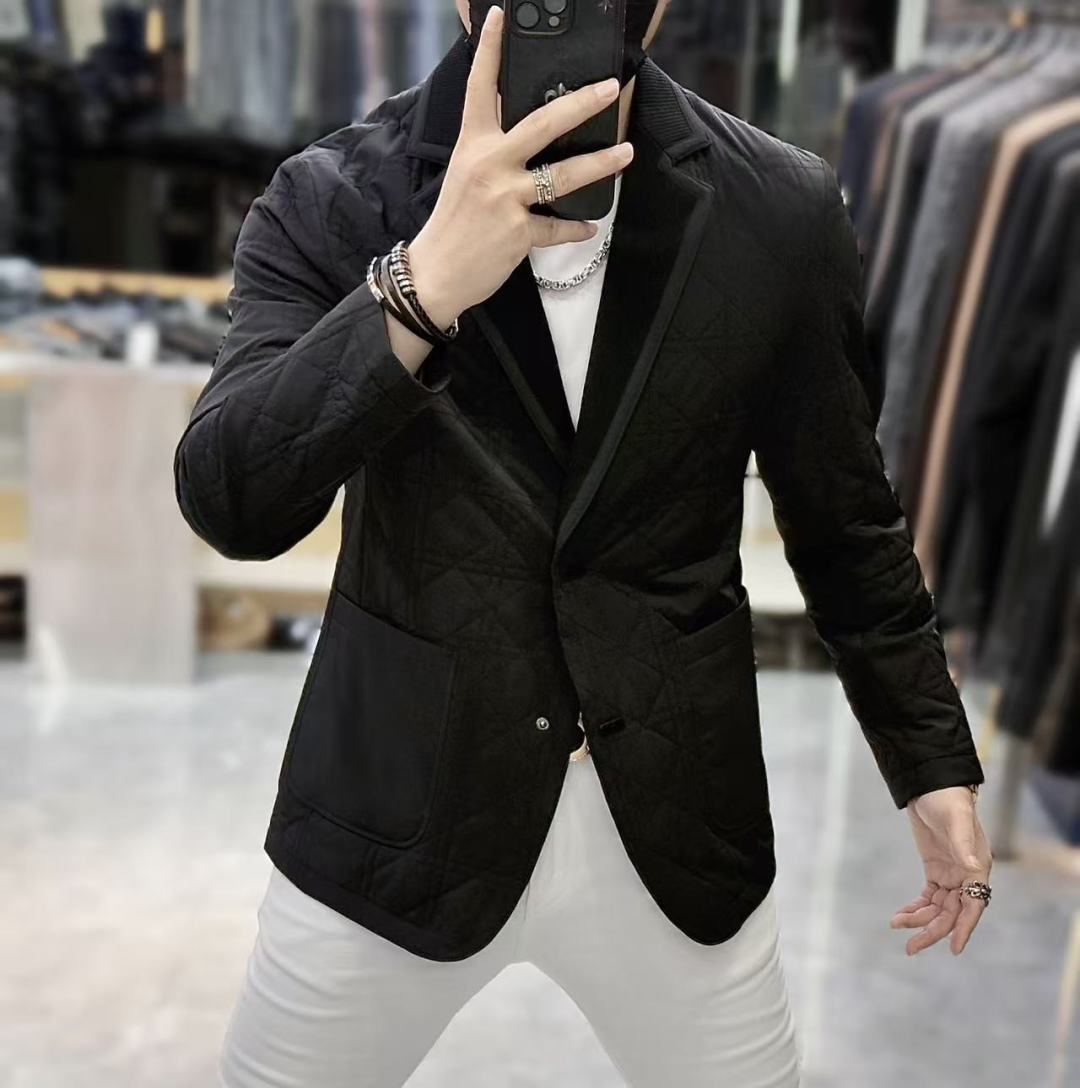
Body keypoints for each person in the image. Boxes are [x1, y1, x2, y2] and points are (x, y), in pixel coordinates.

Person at [173, 3, 993, 1085]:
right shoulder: (334, 196)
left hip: (675, 814)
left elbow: (846, 520)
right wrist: (421, 286)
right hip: (397, 813)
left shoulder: (779, 207)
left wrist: (929, 758)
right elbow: (232, 499)